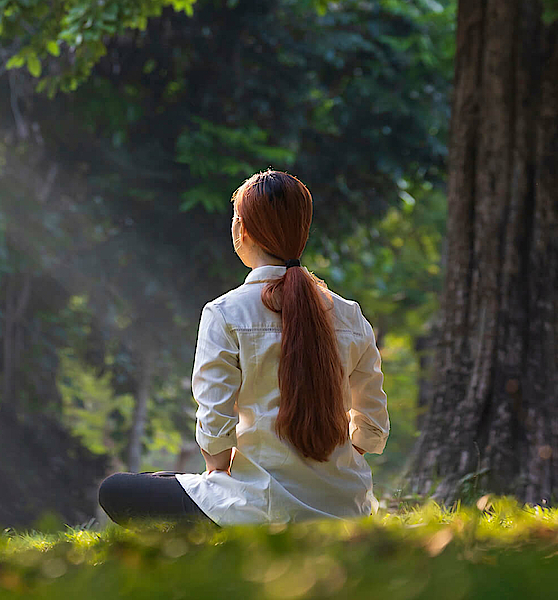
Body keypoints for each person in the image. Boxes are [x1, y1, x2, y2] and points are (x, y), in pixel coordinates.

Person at [96, 170, 390, 527]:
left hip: (256, 510)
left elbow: (216, 440)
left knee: (117, 490)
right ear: (302, 231)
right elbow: (372, 428)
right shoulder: (350, 315)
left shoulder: (225, 313)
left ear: (241, 230)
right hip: (346, 508)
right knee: (166, 483)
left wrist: (224, 474)